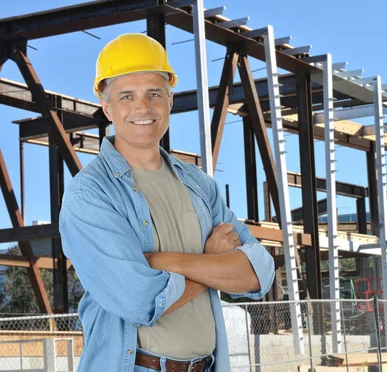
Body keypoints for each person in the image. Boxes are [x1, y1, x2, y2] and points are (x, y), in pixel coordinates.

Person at [59, 33, 275, 372]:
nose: (142, 108)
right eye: (126, 96)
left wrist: (164, 261)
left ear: (170, 101)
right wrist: (213, 263)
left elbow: (259, 272)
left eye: (154, 94)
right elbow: (140, 301)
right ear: (106, 107)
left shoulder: (200, 184)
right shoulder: (89, 195)